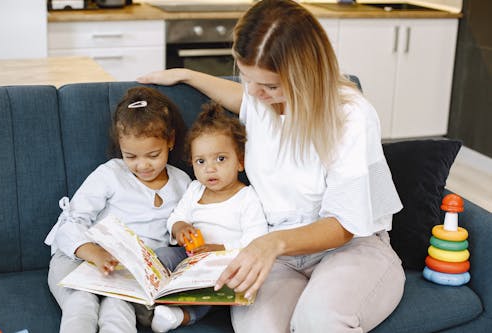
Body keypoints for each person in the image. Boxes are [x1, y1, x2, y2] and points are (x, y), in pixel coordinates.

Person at [137, 0, 405, 332]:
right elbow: (242, 97)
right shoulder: (261, 101)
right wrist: (188, 75)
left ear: (304, 75)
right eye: (247, 77)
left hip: (350, 248)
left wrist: (269, 244)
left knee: (318, 321)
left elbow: (344, 225)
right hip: (278, 254)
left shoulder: (350, 116)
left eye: (270, 86)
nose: (254, 92)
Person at [44, 86, 191, 333]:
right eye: (131, 156)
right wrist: (92, 252)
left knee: (119, 310)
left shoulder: (183, 183)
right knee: (81, 303)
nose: (143, 165)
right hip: (77, 256)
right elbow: (70, 220)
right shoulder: (111, 173)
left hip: (125, 271)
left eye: (153, 155)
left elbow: (182, 227)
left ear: (171, 141)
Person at [149, 102, 268, 332]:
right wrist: (180, 227)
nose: (210, 169)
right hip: (188, 255)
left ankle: (182, 315)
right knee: (161, 256)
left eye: (220, 159)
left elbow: (256, 240)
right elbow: (175, 217)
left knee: (217, 286)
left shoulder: (247, 197)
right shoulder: (194, 189)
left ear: (240, 161)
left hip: (225, 263)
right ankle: (148, 295)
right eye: (201, 161)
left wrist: (219, 248)